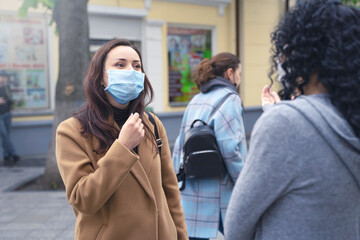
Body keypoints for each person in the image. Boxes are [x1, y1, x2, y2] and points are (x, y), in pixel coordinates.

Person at [225, 1, 360, 239]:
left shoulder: (284, 124)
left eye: (290, 48)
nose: (283, 57)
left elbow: (236, 225)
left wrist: (281, 116)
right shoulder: (350, 119)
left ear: (310, 54)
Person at [56, 39, 188, 240]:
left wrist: (181, 235)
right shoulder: (72, 131)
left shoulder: (152, 123)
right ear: (100, 77)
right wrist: (123, 147)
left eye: (136, 66)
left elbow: (170, 192)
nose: (131, 71)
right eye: (120, 64)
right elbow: (83, 199)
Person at [172, 52, 247, 240]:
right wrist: (244, 182)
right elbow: (230, 149)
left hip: (192, 185)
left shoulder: (197, 99)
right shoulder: (230, 98)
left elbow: (181, 143)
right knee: (244, 232)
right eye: (239, 73)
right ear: (230, 73)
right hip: (218, 189)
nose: (240, 78)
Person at [0, 70, 19, 166]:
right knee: (4, 134)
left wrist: (11, 108)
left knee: (6, 135)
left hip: (7, 114)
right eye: (2, 76)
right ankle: (14, 153)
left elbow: (11, 99)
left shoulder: (7, 87)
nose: (3, 78)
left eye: (4, 76)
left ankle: (6, 155)